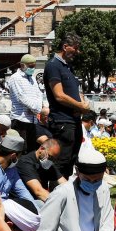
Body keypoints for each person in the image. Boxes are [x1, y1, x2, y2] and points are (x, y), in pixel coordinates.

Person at [45, 35, 90, 175]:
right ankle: (57, 193)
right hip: (62, 121)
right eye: (75, 48)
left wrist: (80, 104)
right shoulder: (53, 65)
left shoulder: (67, 67)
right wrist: (80, 106)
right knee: (62, 162)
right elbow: (59, 95)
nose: (78, 52)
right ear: (65, 47)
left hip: (73, 121)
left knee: (71, 159)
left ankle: (67, 193)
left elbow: (75, 91)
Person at [5, 55, 46, 138]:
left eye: (34, 66)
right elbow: (21, 97)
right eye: (31, 66)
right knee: (22, 148)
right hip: (20, 120)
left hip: (32, 120)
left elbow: (38, 94)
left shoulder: (33, 78)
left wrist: (37, 109)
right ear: (22, 65)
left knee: (31, 148)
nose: (33, 68)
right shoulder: (15, 78)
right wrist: (37, 109)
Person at [17, 135, 62, 204]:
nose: (51, 160)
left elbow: (63, 182)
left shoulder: (48, 164)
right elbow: (38, 192)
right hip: (26, 201)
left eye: (54, 159)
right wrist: (59, 203)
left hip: (41, 199)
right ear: (41, 148)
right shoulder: (25, 162)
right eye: (50, 156)